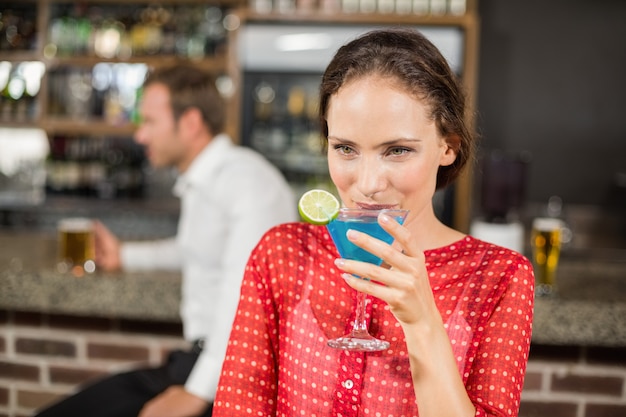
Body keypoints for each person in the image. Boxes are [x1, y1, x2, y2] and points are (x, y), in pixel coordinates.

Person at [212, 28, 534, 417]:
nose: (367, 184)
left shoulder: (499, 277)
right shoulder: (282, 254)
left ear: (447, 146)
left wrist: (423, 324)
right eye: (345, 149)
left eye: (397, 150)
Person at [35, 65, 297, 417]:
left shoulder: (247, 182)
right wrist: (124, 256)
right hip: (198, 363)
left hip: (235, 375)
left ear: (190, 122)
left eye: (150, 122)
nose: (140, 135)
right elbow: (196, 249)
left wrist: (196, 392)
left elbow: (246, 301)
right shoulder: (206, 178)